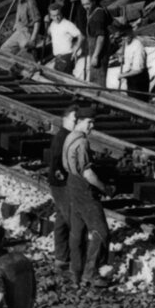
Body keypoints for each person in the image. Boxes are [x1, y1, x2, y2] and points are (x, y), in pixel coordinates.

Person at [61, 106, 111, 287]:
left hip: (71, 185)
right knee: (101, 231)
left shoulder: (69, 137)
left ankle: (75, 272)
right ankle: (91, 273)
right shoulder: (81, 142)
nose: (92, 126)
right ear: (80, 121)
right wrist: (104, 188)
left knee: (78, 231)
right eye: (89, 122)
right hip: (83, 189)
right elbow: (88, 173)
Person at [42, 107, 75, 272]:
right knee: (72, 219)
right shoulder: (63, 137)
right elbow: (56, 161)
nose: (75, 122)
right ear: (65, 119)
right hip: (61, 184)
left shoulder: (66, 136)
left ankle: (62, 257)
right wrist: (64, 178)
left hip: (59, 183)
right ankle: (75, 261)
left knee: (63, 218)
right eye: (74, 119)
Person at [47, 4, 83, 74]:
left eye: (58, 15)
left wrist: (76, 48)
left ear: (61, 13)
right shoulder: (52, 24)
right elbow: (49, 33)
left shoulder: (67, 24)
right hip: (58, 57)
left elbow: (80, 35)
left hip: (67, 56)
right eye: (53, 16)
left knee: (63, 79)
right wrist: (46, 23)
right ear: (50, 16)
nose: (56, 18)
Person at [84, 2, 114, 87]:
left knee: (98, 81)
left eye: (87, 4)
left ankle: (97, 98)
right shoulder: (91, 12)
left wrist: (96, 56)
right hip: (94, 51)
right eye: (83, 4)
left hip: (99, 53)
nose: (86, 7)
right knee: (94, 79)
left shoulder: (98, 14)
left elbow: (101, 37)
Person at [119, 29, 150, 97]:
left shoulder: (138, 46)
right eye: (122, 36)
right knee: (130, 99)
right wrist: (122, 58)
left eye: (125, 36)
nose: (123, 38)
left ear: (131, 34)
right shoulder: (127, 43)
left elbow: (138, 70)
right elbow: (128, 58)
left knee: (138, 101)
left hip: (139, 80)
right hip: (131, 78)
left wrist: (123, 75)